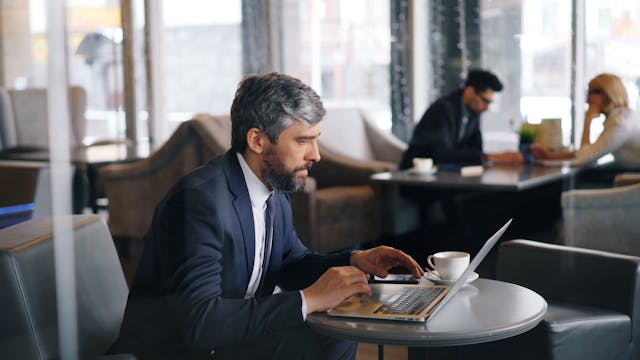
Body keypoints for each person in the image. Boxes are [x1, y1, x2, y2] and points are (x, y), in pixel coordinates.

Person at [109, 72, 424, 360]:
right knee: (318, 334)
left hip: (230, 339)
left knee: (335, 330)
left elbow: (289, 262)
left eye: (315, 140)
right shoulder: (198, 201)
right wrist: (308, 299)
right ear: (257, 140)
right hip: (182, 349)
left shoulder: (273, 189)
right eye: (303, 141)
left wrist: (354, 260)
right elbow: (200, 322)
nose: (315, 155)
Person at [399, 69, 523, 169]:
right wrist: (490, 157)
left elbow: (476, 149)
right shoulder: (443, 109)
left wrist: (485, 157)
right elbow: (441, 153)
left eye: (489, 103)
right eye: (485, 101)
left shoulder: (473, 113)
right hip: (420, 178)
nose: (486, 107)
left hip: (448, 175)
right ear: (469, 91)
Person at [531, 73, 640, 169]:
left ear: (606, 94)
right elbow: (589, 151)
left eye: (590, 93)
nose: (587, 100)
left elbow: (585, 158)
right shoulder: (623, 117)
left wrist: (587, 120)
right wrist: (551, 156)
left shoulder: (620, 123)